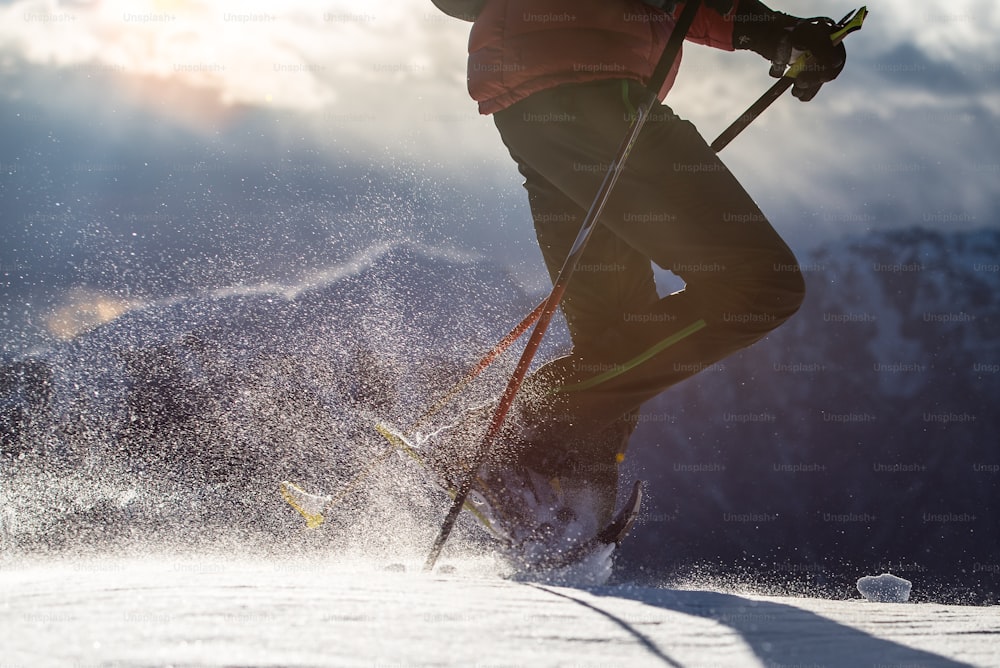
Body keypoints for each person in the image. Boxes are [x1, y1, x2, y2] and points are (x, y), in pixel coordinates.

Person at [427, 0, 847, 554]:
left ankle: (559, 497)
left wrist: (776, 34)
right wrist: (776, 31)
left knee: (619, 329)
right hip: (594, 94)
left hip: (537, 102)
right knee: (760, 284)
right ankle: (510, 440)